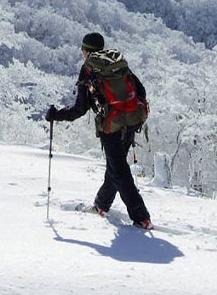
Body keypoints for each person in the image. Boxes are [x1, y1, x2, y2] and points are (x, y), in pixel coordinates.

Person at [46, 32, 153, 230]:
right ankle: (101, 205)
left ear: (85, 51)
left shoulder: (89, 70)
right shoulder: (117, 62)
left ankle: (141, 217)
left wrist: (56, 115)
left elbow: (80, 108)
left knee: (119, 170)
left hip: (110, 125)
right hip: (130, 120)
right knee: (115, 166)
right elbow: (141, 90)